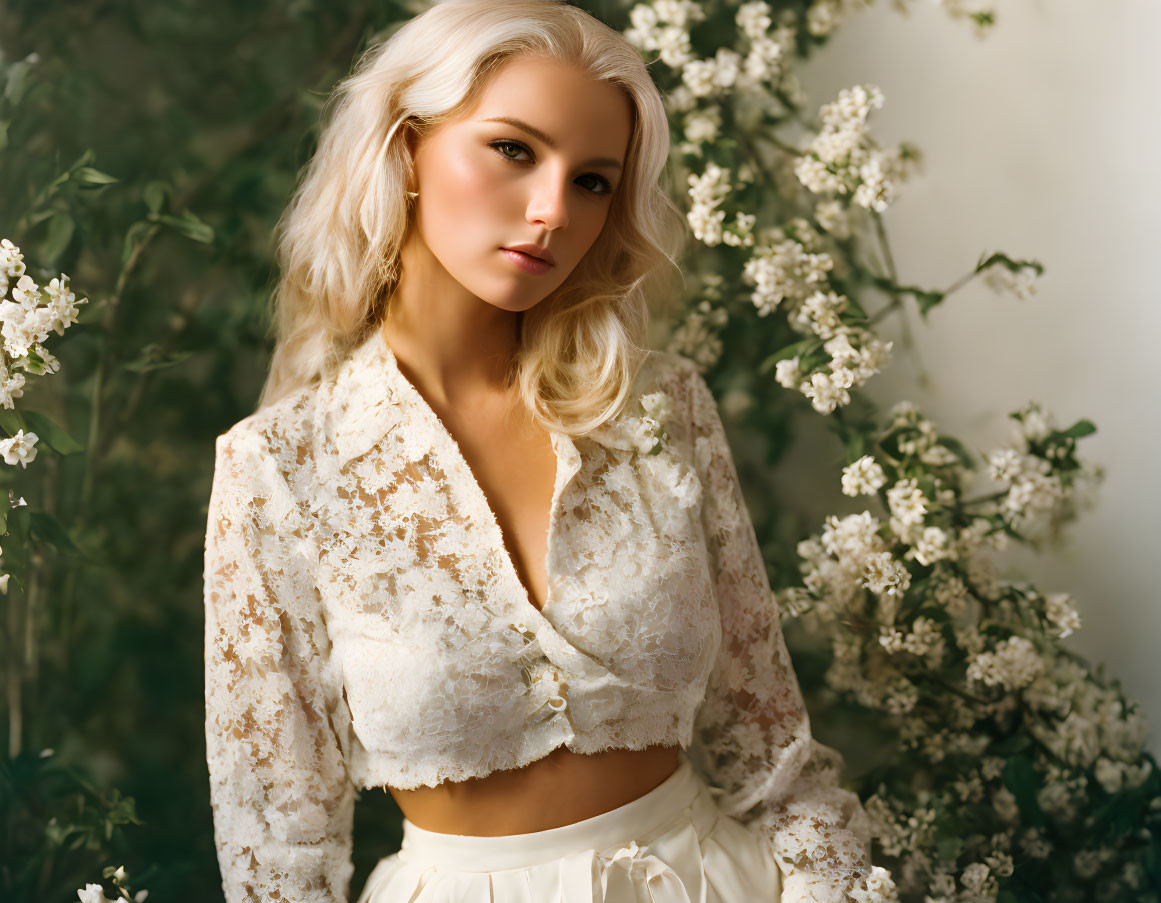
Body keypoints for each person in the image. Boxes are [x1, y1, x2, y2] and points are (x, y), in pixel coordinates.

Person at [202, 1, 891, 901]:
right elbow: (276, 852)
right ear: (405, 147)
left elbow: (773, 756)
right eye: (514, 150)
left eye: (594, 181)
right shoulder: (280, 469)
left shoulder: (659, 408)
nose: (551, 211)